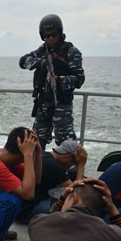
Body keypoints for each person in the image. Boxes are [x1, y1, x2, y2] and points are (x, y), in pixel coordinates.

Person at [19, 14, 85, 147]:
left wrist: (59, 81)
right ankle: (38, 166)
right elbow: (23, 61)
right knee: (36, 141)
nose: (50, 38)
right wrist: (41, 63)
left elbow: (79, 79)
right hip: (43, 103)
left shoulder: (71, 52)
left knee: (66, 144)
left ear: (60, 33)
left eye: (53, 35)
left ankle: (72, 168)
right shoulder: (43, 50)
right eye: (46, 36)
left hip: (61, 105)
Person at [17, 139, 88, 222]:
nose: (71, 167)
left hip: (22, 206)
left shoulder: (45, 156)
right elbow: (76, 191)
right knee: (73, 204)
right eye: (73, 164)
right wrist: (81, 165)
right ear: (68, 157)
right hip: (29, 211)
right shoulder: (53, 166)